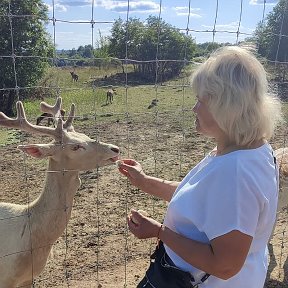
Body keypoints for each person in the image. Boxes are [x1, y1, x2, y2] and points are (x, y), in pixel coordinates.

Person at [117, 46, 283, 288]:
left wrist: (160, 231)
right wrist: (144, 181)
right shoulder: (250, 150)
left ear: (227, 106)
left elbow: (225, 265)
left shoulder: (235, 172)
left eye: (200, 101)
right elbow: (202, 200)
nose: (194, 109)